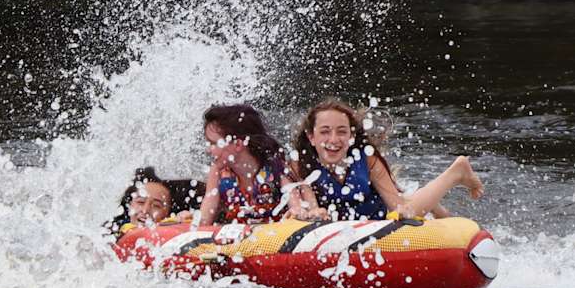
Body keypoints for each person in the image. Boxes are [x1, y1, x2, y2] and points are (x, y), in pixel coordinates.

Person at [286, 98, 483, 222]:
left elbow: (396, 206)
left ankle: (457, 172)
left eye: (342, 132)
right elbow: (309, 205)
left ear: (351, 136)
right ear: (311, 137)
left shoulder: (367, 158)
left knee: (410, 210)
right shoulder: (300, 165)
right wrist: (312, 212)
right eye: (325, 132)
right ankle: (432, 204)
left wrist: (403, 210)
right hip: (344, 225)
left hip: (377, 216)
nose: (333, 140)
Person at [195, 103, 292, 226]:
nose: (208, 150)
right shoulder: (218, 173)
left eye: (213, 143)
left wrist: (300, 212)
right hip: (240, 242)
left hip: (275, 239)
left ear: (238, 145)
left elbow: (297, 207)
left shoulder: (276, 168)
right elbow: (205, 218)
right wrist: (193, 219)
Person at [112, 167, 201, 227]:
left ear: (168, 213)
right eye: (140, 202)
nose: (145, 210)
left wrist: (188, 221)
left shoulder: (174, 226)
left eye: (156, 206)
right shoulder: (112, 235)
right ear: (130, 204)